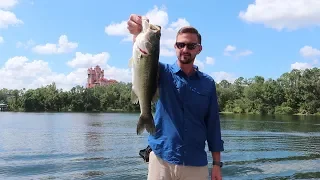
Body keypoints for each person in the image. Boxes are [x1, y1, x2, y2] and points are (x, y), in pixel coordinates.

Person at [127, 14, 224, 180]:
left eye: (190, 45)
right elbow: (144, 61)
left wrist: (216, 164)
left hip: (196, 163)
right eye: (181, 45)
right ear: (175, 47)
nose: (185, 49)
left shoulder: (208, 84)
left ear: (198, 49)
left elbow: (213, 126)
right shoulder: (162, 72)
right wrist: (137, 33)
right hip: (161, 159)